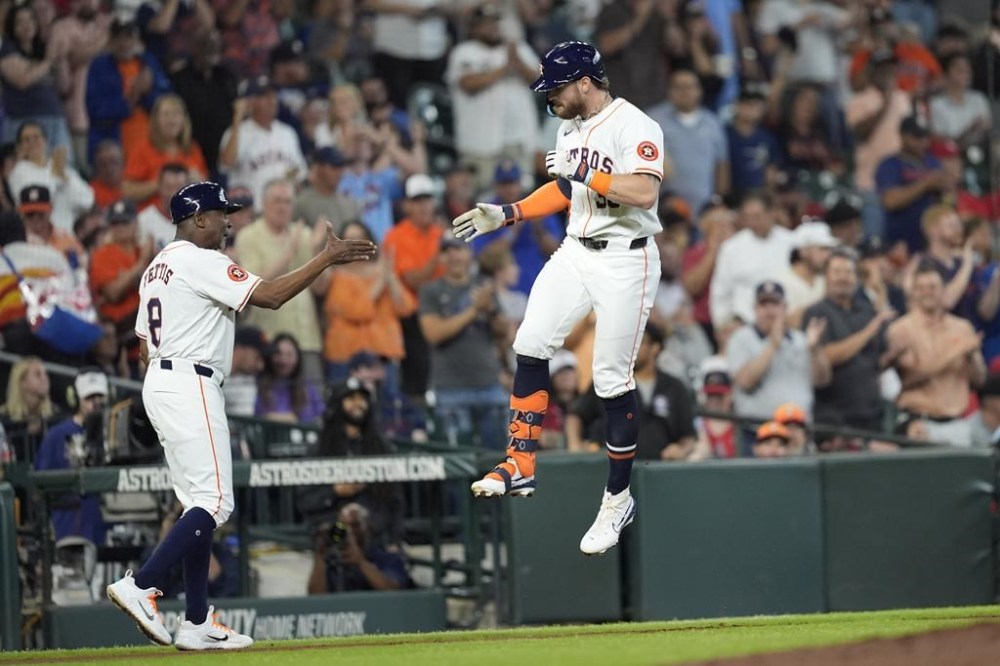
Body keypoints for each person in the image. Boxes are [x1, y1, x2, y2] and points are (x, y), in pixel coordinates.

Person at [105, 180, 375, 650]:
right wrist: (325, 258)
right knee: (215, 503)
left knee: (198, 504)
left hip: (163, 379)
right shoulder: (200, 258)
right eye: (221, 213)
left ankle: (195, 620)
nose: (229, 221)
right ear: (199, 219)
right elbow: (270, 296)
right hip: (190, 382)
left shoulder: (157, 267)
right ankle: (143, 584)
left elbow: (144, 343)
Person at [452, 42, 664, 555]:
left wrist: (586, 173)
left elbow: (643, 193)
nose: (550, 98)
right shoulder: (567, 126)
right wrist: (510, 213)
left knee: (611, 379)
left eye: (556, 88)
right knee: (530, 343)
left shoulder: (635, 125)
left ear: (585, 83)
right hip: (577, 247)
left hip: (626, 257)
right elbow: (566, 191)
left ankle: (617, 501)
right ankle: (520, 461)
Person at [419, 237, 509, 448]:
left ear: (470, 254)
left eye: (460, 249)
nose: (454, 256)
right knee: (457, 463)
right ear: (441, 257)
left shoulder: (483, 288)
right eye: (448, 250)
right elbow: (434, 334)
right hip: (450, 388)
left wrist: (491, 309)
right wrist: (474, 310)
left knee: (496, 461)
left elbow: (504, 331)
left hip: (489, 383)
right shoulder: (431, 291)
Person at [235, 179, 325, 381]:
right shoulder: (249, 236)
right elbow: (253, 285)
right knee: (269, 402)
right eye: (277, 200)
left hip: (306, 338)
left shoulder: (305, 235)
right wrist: (290, 253)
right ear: (264, 204)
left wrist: (318, 250)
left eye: (287, 201)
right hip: (268, 338)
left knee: (311, 402)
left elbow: (320, 288)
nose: (283, 206)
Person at [887, 263, 985, 446]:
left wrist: (972, 357)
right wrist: (956, 352)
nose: (927, 292)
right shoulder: (900, 329)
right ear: (913, 292)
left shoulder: (962, 327)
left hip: (960, 421)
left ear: (944, 290)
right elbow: (910, 377)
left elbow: (979, 380)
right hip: (920, 422)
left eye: (932, 287)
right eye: (920, 288)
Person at [444, 3, 539, 193]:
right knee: (482, 200)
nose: (492, 28)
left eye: (494, 23)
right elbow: (468, 83)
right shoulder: (464, 52)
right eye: (485, 24)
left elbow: (542, 81)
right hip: (480, 144)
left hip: (518, 140)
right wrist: (505, 69)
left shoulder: (517, 48)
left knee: (521, 199)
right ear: (473, 28)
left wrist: (518, 63)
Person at [568, 322, 697, 461]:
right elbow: (575, 415)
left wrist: (681, 450)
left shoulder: (674, 387)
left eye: (638, 342)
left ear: (655, 348)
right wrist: (575, 445)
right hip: (611, 469)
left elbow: (688, 436)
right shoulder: (610, 380)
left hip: (660, 471)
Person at [803, 248, 897, 434]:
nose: (843, 278)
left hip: (871, 412)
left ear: (856, 279)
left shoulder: (866, 310)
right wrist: (869, 330)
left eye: (848, 272)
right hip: (834, 417)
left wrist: (895, 353)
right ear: (826, 277)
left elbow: (877, 360)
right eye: (837, 272)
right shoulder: (817, 312)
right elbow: (828, 356)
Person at [728, 281, 830, 450]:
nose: (769, 311)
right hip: (757, 434)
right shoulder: (741, 338)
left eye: (774, 304)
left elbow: (822, 380)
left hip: (798, 433)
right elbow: (745, 381)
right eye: (763, 304)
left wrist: (815, 351)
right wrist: (773, 344)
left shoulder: (800, 339)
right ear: (755, 308)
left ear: (785, 307)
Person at [322, 221, 414, 382]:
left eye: (360, 238)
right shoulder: (338, 276)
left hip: (384, 355)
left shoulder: (384, 270)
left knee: (388, 406)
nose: (355, 244)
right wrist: (380, 283)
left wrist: (390, 277)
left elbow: (405, 308)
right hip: (345, 356)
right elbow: (354, 311)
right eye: (349, 240)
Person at [33, 368, 110, 545]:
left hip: (108, 525)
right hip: (69, 525)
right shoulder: (56, 436)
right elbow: (39, 484)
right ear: (75, 399)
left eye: (100, 396)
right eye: (89, 398)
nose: (96, 403)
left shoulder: (116, 433)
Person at [649, 69, 729, 215]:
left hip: (705, 208)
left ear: (699, 90)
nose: (684, 92)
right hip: (665, 208)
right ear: (669, 90)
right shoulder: (653, 119)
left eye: (689, 87)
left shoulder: (713, 123)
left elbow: (722, 164)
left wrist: (720, 200)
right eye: (678, 87)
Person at [218, 76, 306, 207]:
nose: (272, 101)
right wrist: (237, 118)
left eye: (273, 96)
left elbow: (300, 172)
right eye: (265, 97)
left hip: (285, 210)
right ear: (249, 102)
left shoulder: (288, 132)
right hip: (252, 212)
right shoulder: (236, 132)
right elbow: (227, 163)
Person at [87, 200, 155, 370]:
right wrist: (140, 266)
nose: (119, 228)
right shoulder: (102, 255)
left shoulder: (147, 252)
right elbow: (113, 293)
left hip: (152, 331)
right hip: (123, 334)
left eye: (124, 222)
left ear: (135, 224)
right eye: (115, 223)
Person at [876, 115, 947, 256]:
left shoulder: (933, 162)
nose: (923, 142)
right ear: (903, 136)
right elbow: (890, 201)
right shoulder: (890, 164)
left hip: (932, 241)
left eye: (925, 137)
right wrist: (926, 184)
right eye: (917, 137)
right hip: (901, 241)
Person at [122, 94, 208, 207]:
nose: (171, 120)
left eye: (176, 114)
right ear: (156, 120)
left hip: (188, 217)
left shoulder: (192, 149)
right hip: (153, 219)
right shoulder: (142, 149)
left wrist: (198, 181)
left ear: (184, 120)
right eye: (166, 115)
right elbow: (127, 191)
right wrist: (161, 185)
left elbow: (207, 191)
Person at [7, 121, 94, 234]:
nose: (32, 142)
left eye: (36, 137)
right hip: (38, 234)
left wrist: (64, 177)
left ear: (45, 141)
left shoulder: (61, 168)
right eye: (26, 139)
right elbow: (37, 198)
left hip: (67, 234)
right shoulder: (18, 172)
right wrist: (58, 177)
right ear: (20, 146)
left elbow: (87, 201)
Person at [307, 502, 412, 594]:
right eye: (343, 526)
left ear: (368, 528)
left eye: (355, 525)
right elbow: (316, 600)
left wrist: (360, 562)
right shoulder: (331, 562)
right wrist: (320, 557)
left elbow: (394, 593)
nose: (349, 531)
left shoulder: (388, 559)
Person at [255, 332, 324, 425]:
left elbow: (321, 416)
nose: (283, 360)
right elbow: (255, 417)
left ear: (297, 358)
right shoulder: (260, 386)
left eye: (289, 355)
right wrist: (288, 418)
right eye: (278, 354)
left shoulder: (307, 387)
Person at [223, 325, 268, 417]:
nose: (261, 366)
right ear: (240, 350)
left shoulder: (248, 379)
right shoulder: (212, 371)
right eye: (257, 357)